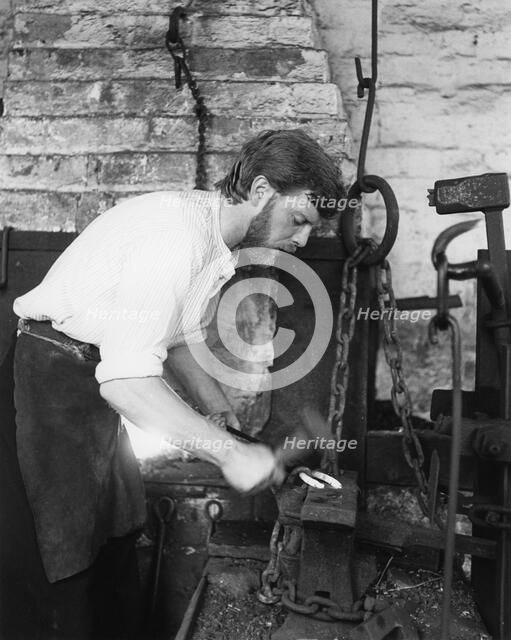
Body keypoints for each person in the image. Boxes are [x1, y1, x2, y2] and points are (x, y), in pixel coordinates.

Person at [0, 129, 345, 639]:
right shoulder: (175, 240)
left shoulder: (213, 243)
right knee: (60, 556)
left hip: (90, 388)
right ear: (262, 191)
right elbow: (126, 384)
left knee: (115, 533)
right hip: (50, 385)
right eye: (299, 221)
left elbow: (178, 341)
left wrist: (217, 411)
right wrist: (228, 454)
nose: (301, 240)